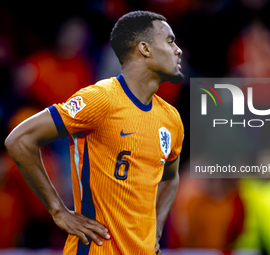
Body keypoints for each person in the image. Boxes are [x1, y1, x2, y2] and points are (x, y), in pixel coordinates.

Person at [5, 10, 184, 255]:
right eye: (170, 41)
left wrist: (157, 227)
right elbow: (19, 139)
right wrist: (58, 211)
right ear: (145, 48)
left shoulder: (171, 119)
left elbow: (170, 177)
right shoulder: (100, 100)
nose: (178, 50)